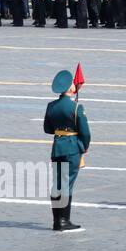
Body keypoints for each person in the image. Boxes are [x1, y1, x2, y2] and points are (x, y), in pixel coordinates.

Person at [44, 69, 91, 232]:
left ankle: (57, 221)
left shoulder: (51, 106)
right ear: (70, 88)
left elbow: (47, 129)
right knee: (67, 185)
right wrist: (83, 147)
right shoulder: (77, 107)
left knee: (57, 184)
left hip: (57, 148)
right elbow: (85, 132)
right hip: (72, 148)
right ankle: (64, 221)